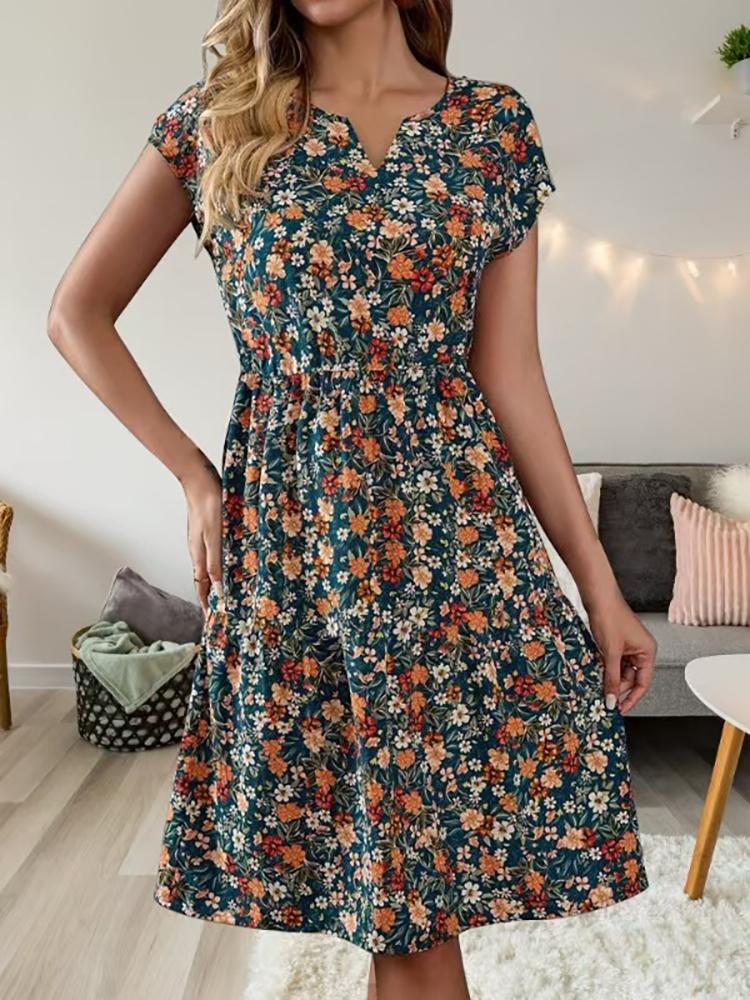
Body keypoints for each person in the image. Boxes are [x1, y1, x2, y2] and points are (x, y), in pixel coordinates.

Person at [48, 1, 656, 997]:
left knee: (411, 905)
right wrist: (193, 473)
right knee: (402, 909)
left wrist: (599, 585)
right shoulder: (217, 122)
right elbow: (77, 312)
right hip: (300, 554)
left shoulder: (492, 128)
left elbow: (511, 374)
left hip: (457, 555)